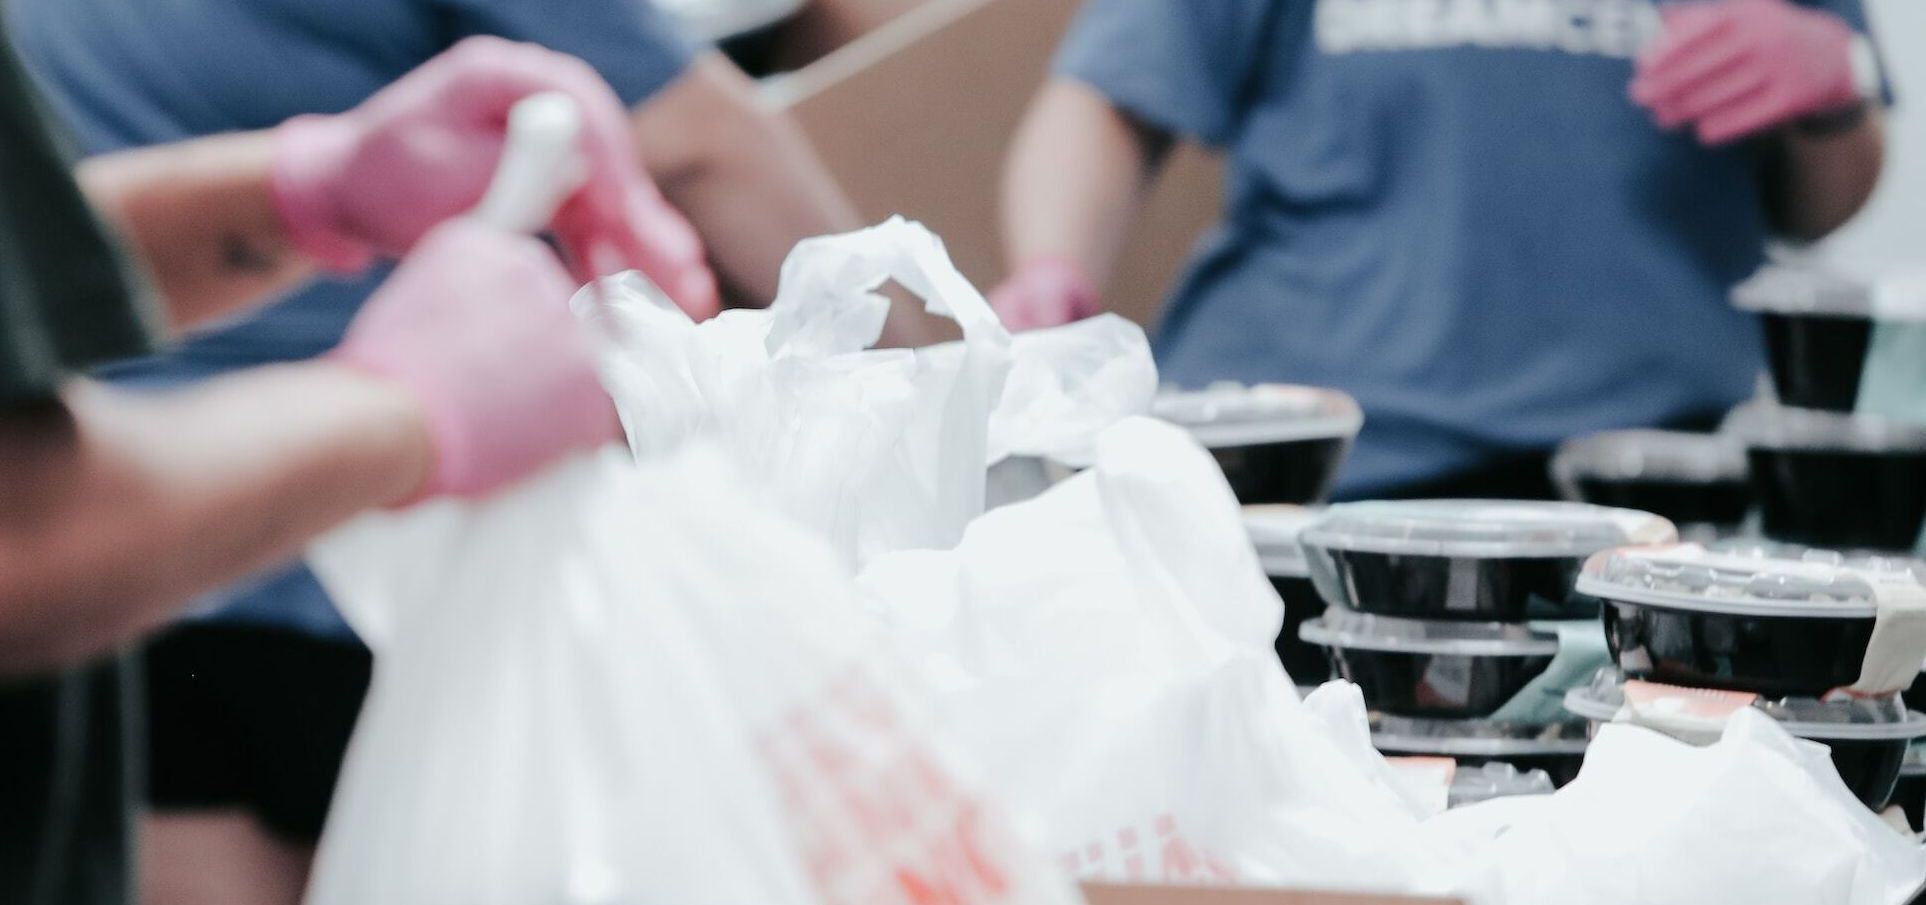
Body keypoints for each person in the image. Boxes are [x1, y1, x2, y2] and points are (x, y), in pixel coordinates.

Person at [3, 2, 874, 899]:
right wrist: (407, 403)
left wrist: (307, 190)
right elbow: (707, 139)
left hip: (166, 620)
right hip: (310, 592)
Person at [991, 0, 1889, 500]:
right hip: (1321, 476)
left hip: (1657, 487)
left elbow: (1819, 207)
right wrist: (1053, 265)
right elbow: (1102, 105)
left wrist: (1834, 92)